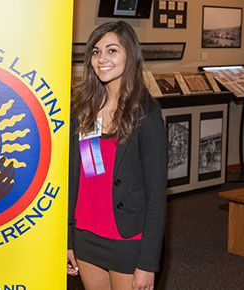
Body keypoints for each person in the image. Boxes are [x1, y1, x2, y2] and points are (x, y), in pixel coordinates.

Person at [67, 21, 167, 290]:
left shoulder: (147, 115)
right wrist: (68, 239)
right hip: (86, 234)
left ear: (130, 55)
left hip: (126, 239)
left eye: (112, 50)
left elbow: (157, 197)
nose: (102, 59)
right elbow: (80, 176)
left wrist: (148, 263)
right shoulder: (83, 109)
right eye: (96, 52)